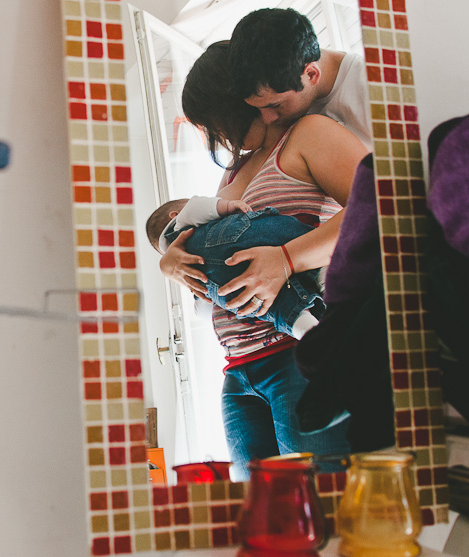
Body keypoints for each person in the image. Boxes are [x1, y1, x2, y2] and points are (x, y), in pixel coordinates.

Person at [160, 41, 368, 481]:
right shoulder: (232, 172)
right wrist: (172, 258)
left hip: (300, 354)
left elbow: (379, 208)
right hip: (238, 369)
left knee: (320, 507)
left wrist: (288, 259)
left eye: (215, 123)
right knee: (263, 517)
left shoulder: (310, 133)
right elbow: (220, 245)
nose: (218, 137)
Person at [145, 195, 323, 339]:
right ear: (174, 215)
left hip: (224, 286)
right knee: (281, 231)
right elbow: (198, 206)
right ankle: (322, 270)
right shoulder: (181, 222)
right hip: (231, 240)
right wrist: (227, 206)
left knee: (275, 307)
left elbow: (203, 311)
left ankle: (304, 328)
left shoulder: (185, 268)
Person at [228, 8, 371, 149]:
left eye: (275, 105)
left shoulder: (375, 90)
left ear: (311, 74)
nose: (267, 120)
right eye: (257, 109)